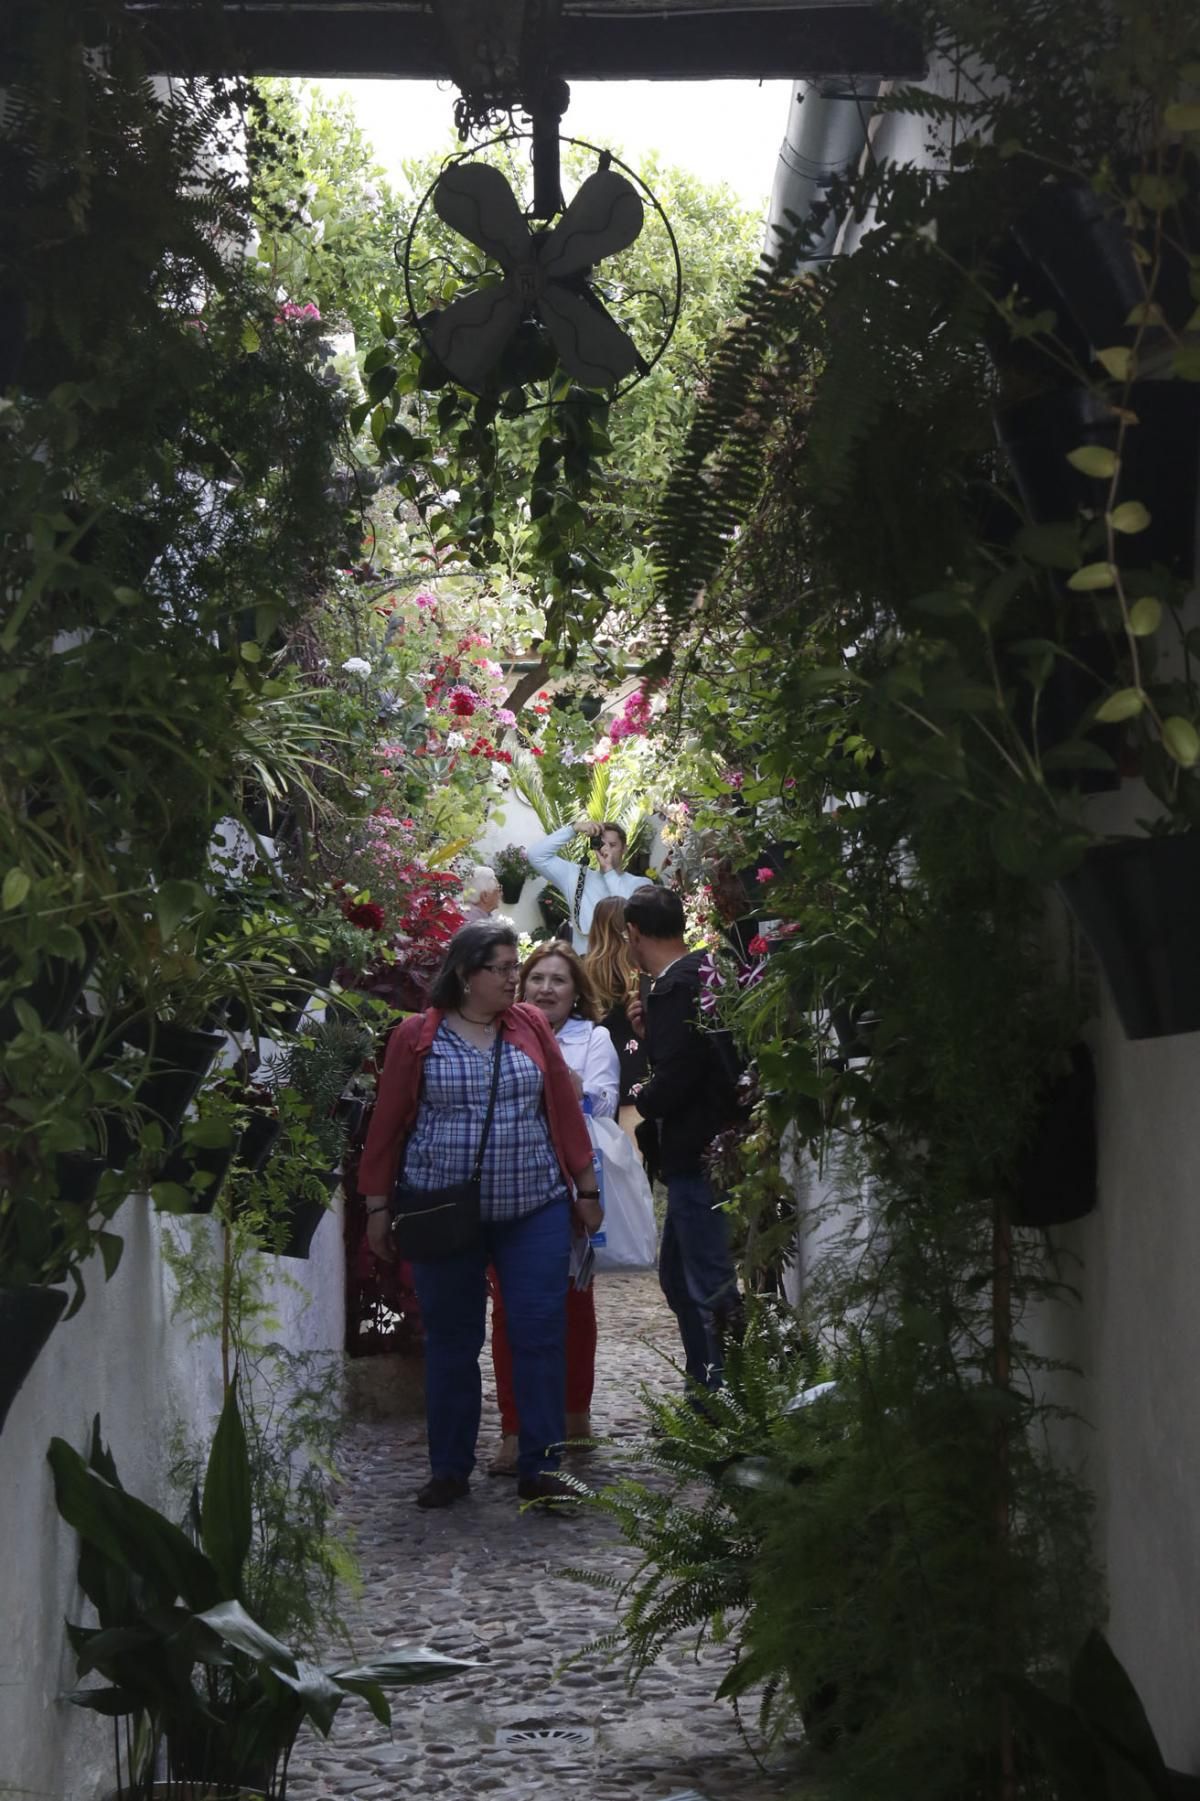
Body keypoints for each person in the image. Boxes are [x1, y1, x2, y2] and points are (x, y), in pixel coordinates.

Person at [359, 920, 601, 1509]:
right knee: (451, 1340)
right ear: (467, 975)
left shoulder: (530, 1026)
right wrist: (377, 1206)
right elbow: (387, 1125)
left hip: (533, 1208)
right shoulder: (417, 1036)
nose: (514, 979)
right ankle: (449, 1469)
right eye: (502, 968)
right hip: (444, 1212)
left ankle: (541, 1466)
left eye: (514, 967)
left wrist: (586, 1186)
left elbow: (563, 1110)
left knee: (539, 1333)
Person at [487, 941, 619, 1475]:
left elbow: (603, 1099)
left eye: (558, 980)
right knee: (508, 1313)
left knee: (573, 1306)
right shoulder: (498, 1032)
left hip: (571, 1184)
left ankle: (575, 1417)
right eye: (537, 978)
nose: (546, 988)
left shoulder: (594, 1038)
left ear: (575, 991)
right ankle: (514, 1430)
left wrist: (564, 1086)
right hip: (508, 1182)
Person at [623, 884, 743, 1392]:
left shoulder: (674, 987)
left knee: (710, 1286)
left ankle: (729, 1397)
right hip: (707, 1151)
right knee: (678, 1276)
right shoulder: (706, 971)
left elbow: (680, 1075)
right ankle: (708, 1388)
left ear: (633, 934)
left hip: (697, 1156)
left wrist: (642, 1100)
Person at [585, 895, 650, 1148]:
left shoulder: (587, 967)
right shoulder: (639, 965)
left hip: (602, 1056)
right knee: (636, 1139)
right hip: (637, 1052)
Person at [527, 817, 645, 953]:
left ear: (624, 849)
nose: (606, 850)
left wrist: (609, 872)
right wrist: (574, 829)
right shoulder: (577, 877)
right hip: (583, 966)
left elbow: (627, 912)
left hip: (622, 967)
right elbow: (535, 856)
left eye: (612, 845)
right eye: (602, 844)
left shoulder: (640, 884)